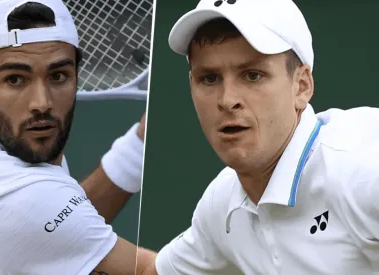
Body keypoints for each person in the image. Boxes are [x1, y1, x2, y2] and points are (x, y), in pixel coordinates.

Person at [0, 0, 156, 274]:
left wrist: (139, 145)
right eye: (15, 79)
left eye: (58, 76)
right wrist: (210, 220)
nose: (42, 102)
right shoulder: (11, 197)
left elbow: (62, 233)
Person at [146, 0, 379, 274]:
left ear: (301, 86)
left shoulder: (363, 169)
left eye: (253, 75)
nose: (227, 100)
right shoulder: (222, 206)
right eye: (209, 79)